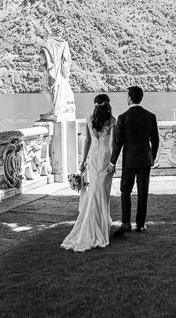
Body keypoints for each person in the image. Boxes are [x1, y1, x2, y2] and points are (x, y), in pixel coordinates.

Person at [61, 93, 115, 251]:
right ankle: (101, 225)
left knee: (94, 191)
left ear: (95, 105)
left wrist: (83, 161)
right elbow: (112, 145)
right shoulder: (112, 121)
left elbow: (87, 141)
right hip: (105, 158)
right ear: (108, 105)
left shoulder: (89, 120)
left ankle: (97, 222)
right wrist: (113, 162)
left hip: (93, 158)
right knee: (103, 192)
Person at [109, 85, 160, 236]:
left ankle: (126, 223)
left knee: (125, 190)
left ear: (130, 98)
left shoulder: (123, 117)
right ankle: (141, 224)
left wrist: (112, 161)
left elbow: (118, 143)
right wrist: (153, 156)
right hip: (145, 160)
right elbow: (155, 140)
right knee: (143, 191)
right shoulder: (150, 116)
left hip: (130, 160)